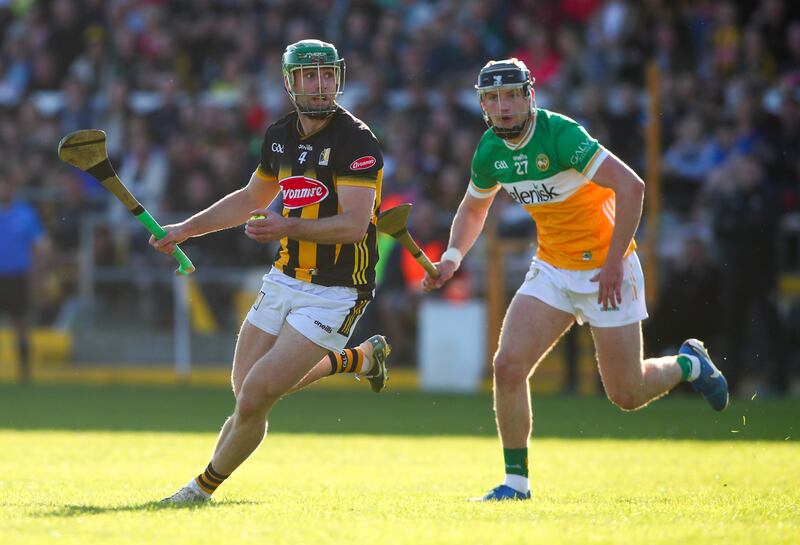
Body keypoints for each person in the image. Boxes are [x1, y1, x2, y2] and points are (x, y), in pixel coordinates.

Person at [423, 58, 729, 502]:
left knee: (627, 394)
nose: (503, 107)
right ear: (483, 105)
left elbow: (633, 187)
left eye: (512, 96)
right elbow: (473, 208)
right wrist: (452, 257)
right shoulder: (490, 150)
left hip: (607, 268)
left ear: (529, 96)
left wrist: (613, 262)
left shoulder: (561, 135)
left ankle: (689, 364)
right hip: (552, 267)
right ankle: (516, 484)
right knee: (508, 366)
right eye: (493, 98)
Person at [152, 40, 391, 503]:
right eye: (309, 76)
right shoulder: (280, 135)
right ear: (289, 82)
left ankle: (198, 491)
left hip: (337, 290)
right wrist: (185, 229)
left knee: (256, 394)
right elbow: (249, 199)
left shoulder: (357, 141)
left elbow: (354, 225)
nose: (320, 85)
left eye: (327, 74)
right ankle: (355, 360)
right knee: (246, 392)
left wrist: (285, 225)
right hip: (284, 278)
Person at [0, 175, 48, 383]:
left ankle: (24, 372)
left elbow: (40, 246)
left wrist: (38, 277)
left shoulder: (25, 214)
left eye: (5, 185)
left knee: (20, 323)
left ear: (12, 187)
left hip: (17, 276)